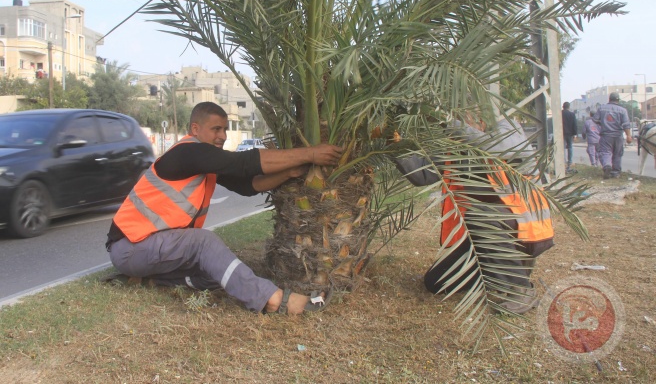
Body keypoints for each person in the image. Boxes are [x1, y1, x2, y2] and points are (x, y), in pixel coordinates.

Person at [105, 102, 343, 315]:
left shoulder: (205, 162)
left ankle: (149, 280)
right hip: (131, 247)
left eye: (225, 129)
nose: (222, 136)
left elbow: (249, 185)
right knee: (203, 243)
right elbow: (242, 163)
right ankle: (275, 301)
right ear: (195, 129)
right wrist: (310, 153)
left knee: (218, 271)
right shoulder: (187, 153)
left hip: (155, 249)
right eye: (216, 129)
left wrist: (289, 172)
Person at [393, 117, 554, 314]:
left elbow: (492, 145)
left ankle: (520, 290)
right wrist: (392, 143)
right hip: (488, 233)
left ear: (482, 117)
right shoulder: (455, 150)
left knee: (480, 215)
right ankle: (501, 273)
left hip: (527, 230)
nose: (464, 123)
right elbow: (420, 174)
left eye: (466, 118)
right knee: (436, 282)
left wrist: (450, 123)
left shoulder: (509, 128)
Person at [594, 92, 632, 179]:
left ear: (609, 99)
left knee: (605, 152)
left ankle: (607, 165)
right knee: (617, 154)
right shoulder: (623, 110)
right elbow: (626, 124)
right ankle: (615, 173)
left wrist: (602, 123)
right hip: (618, 135)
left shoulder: (601, 108)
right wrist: (629, 136)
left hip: (606, 135)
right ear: (618, 100)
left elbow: (595, 119)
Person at [561, 102, 577, 172]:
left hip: (562, 133)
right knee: (570, 147)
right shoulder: (572, 114)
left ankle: (563, 161)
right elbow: (574, 124)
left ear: (563, 106)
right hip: (570, 133)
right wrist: (575, 134)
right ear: (569, 107)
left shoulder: (560, 114)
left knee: (563, 147)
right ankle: (570, 161)